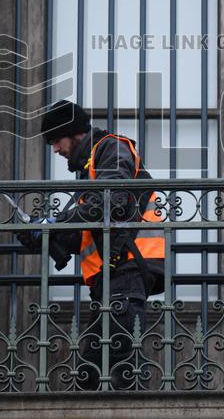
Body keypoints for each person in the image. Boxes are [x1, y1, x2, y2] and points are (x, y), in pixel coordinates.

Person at [23, 100, 164, 390]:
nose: (55, 149)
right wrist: (45, 235)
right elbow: (90, 229)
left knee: (121, 366)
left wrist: (55, 224)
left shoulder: (111, 149)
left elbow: (112, 201)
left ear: (73, 133)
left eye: (55, 141)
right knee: (93, 370)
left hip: (127, 269)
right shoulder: (91, 169)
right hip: (111, 277)